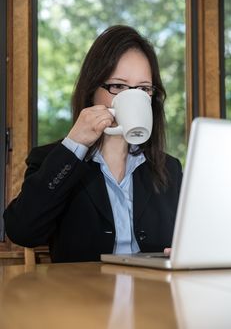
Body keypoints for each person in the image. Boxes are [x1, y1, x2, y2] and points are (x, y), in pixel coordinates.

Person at [4, 25, 182, 263]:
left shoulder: (168, 168)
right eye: (118, 86)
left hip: (153, 296)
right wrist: (75, 144)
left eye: (143, 89)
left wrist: (181, 251)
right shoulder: (55, 159)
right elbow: (22, 232)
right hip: (84, 296)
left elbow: (190, 237)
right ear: (91, 91)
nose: (133, 97)